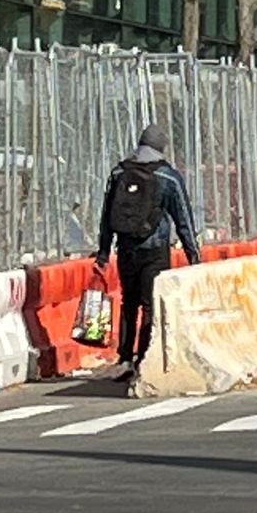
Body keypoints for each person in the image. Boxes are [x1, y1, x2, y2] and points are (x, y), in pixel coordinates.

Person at [95, 123, 202, 377]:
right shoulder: (168, 176)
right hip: (155, 250)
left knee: (128, 303)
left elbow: (107, 215)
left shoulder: (119, 172)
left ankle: (124, 358)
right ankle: (144, 357)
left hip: (126, 248)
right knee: (151, 304)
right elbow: (183, 217)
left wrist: (103, 251)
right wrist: (193, 253)